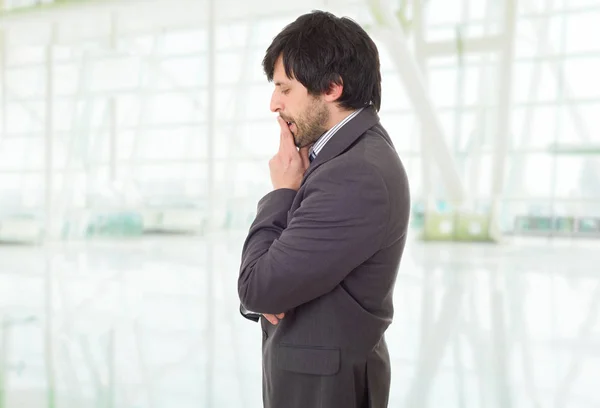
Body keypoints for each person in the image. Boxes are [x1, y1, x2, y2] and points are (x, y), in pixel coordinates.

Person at [237, 10, 410, 408]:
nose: (273, 104)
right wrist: (270, 290)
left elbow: (257, 286)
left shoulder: (354, 172)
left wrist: (281, 192)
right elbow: (269, 283)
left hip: (323, 391)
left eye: (285, 89)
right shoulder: (337, 159)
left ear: (331, 87)